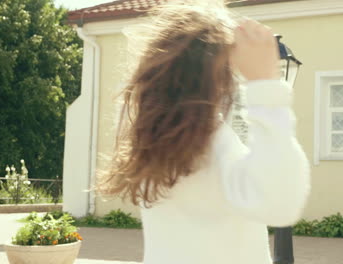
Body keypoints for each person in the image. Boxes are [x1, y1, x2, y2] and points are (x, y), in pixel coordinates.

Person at [98, 3, 311, 264]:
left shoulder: (153, 148)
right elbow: (282, 203)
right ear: (219, 81)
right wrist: (265, 83)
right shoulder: (214, 150)